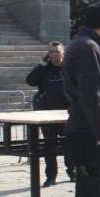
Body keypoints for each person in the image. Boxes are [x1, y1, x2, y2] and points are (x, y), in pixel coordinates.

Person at [62, 1, 100, 197]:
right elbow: (91, 94)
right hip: (91, 133)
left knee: (89, 194)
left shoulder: (79, 43)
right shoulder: (89, 47)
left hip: (83, 129)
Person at [26, 41, 73, 187]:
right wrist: (41, 65)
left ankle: (73, 173)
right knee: (49, 147)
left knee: (70, 145)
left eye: (57, 52)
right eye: (51, 52)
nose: (54, 55)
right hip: (47, 115)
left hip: (66, 115)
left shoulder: (69, 68)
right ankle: (51, 177)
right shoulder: (44, 69)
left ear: (63, 53)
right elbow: (30, 81)